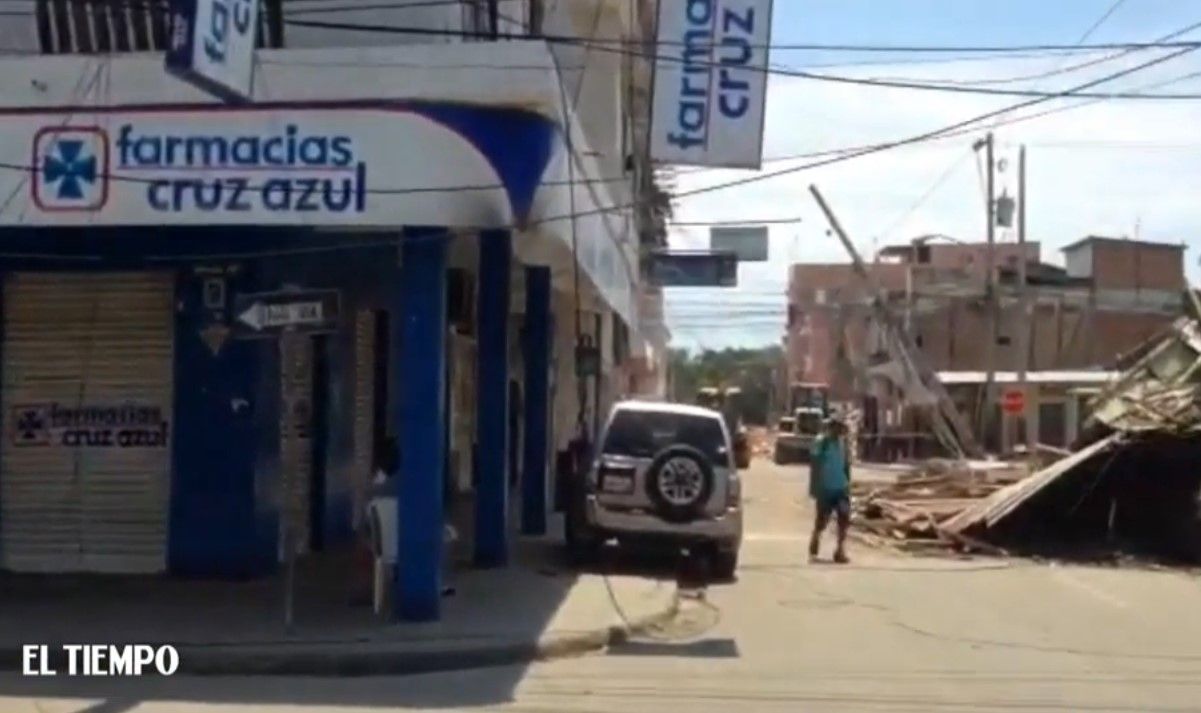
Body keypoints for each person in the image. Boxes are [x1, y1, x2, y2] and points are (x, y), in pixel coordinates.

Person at [809, 414, 851, 564]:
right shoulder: (822, 442)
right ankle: (814, 544)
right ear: (830, 428)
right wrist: (814, 487)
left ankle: (840, 550)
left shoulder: (843, 443)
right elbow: (815, 465)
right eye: (837, 428)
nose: (839, 432)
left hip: (841, 489)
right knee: (822, 521)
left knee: (844, 519)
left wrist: (848, 484)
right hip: (825, 488)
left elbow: (846, 464)